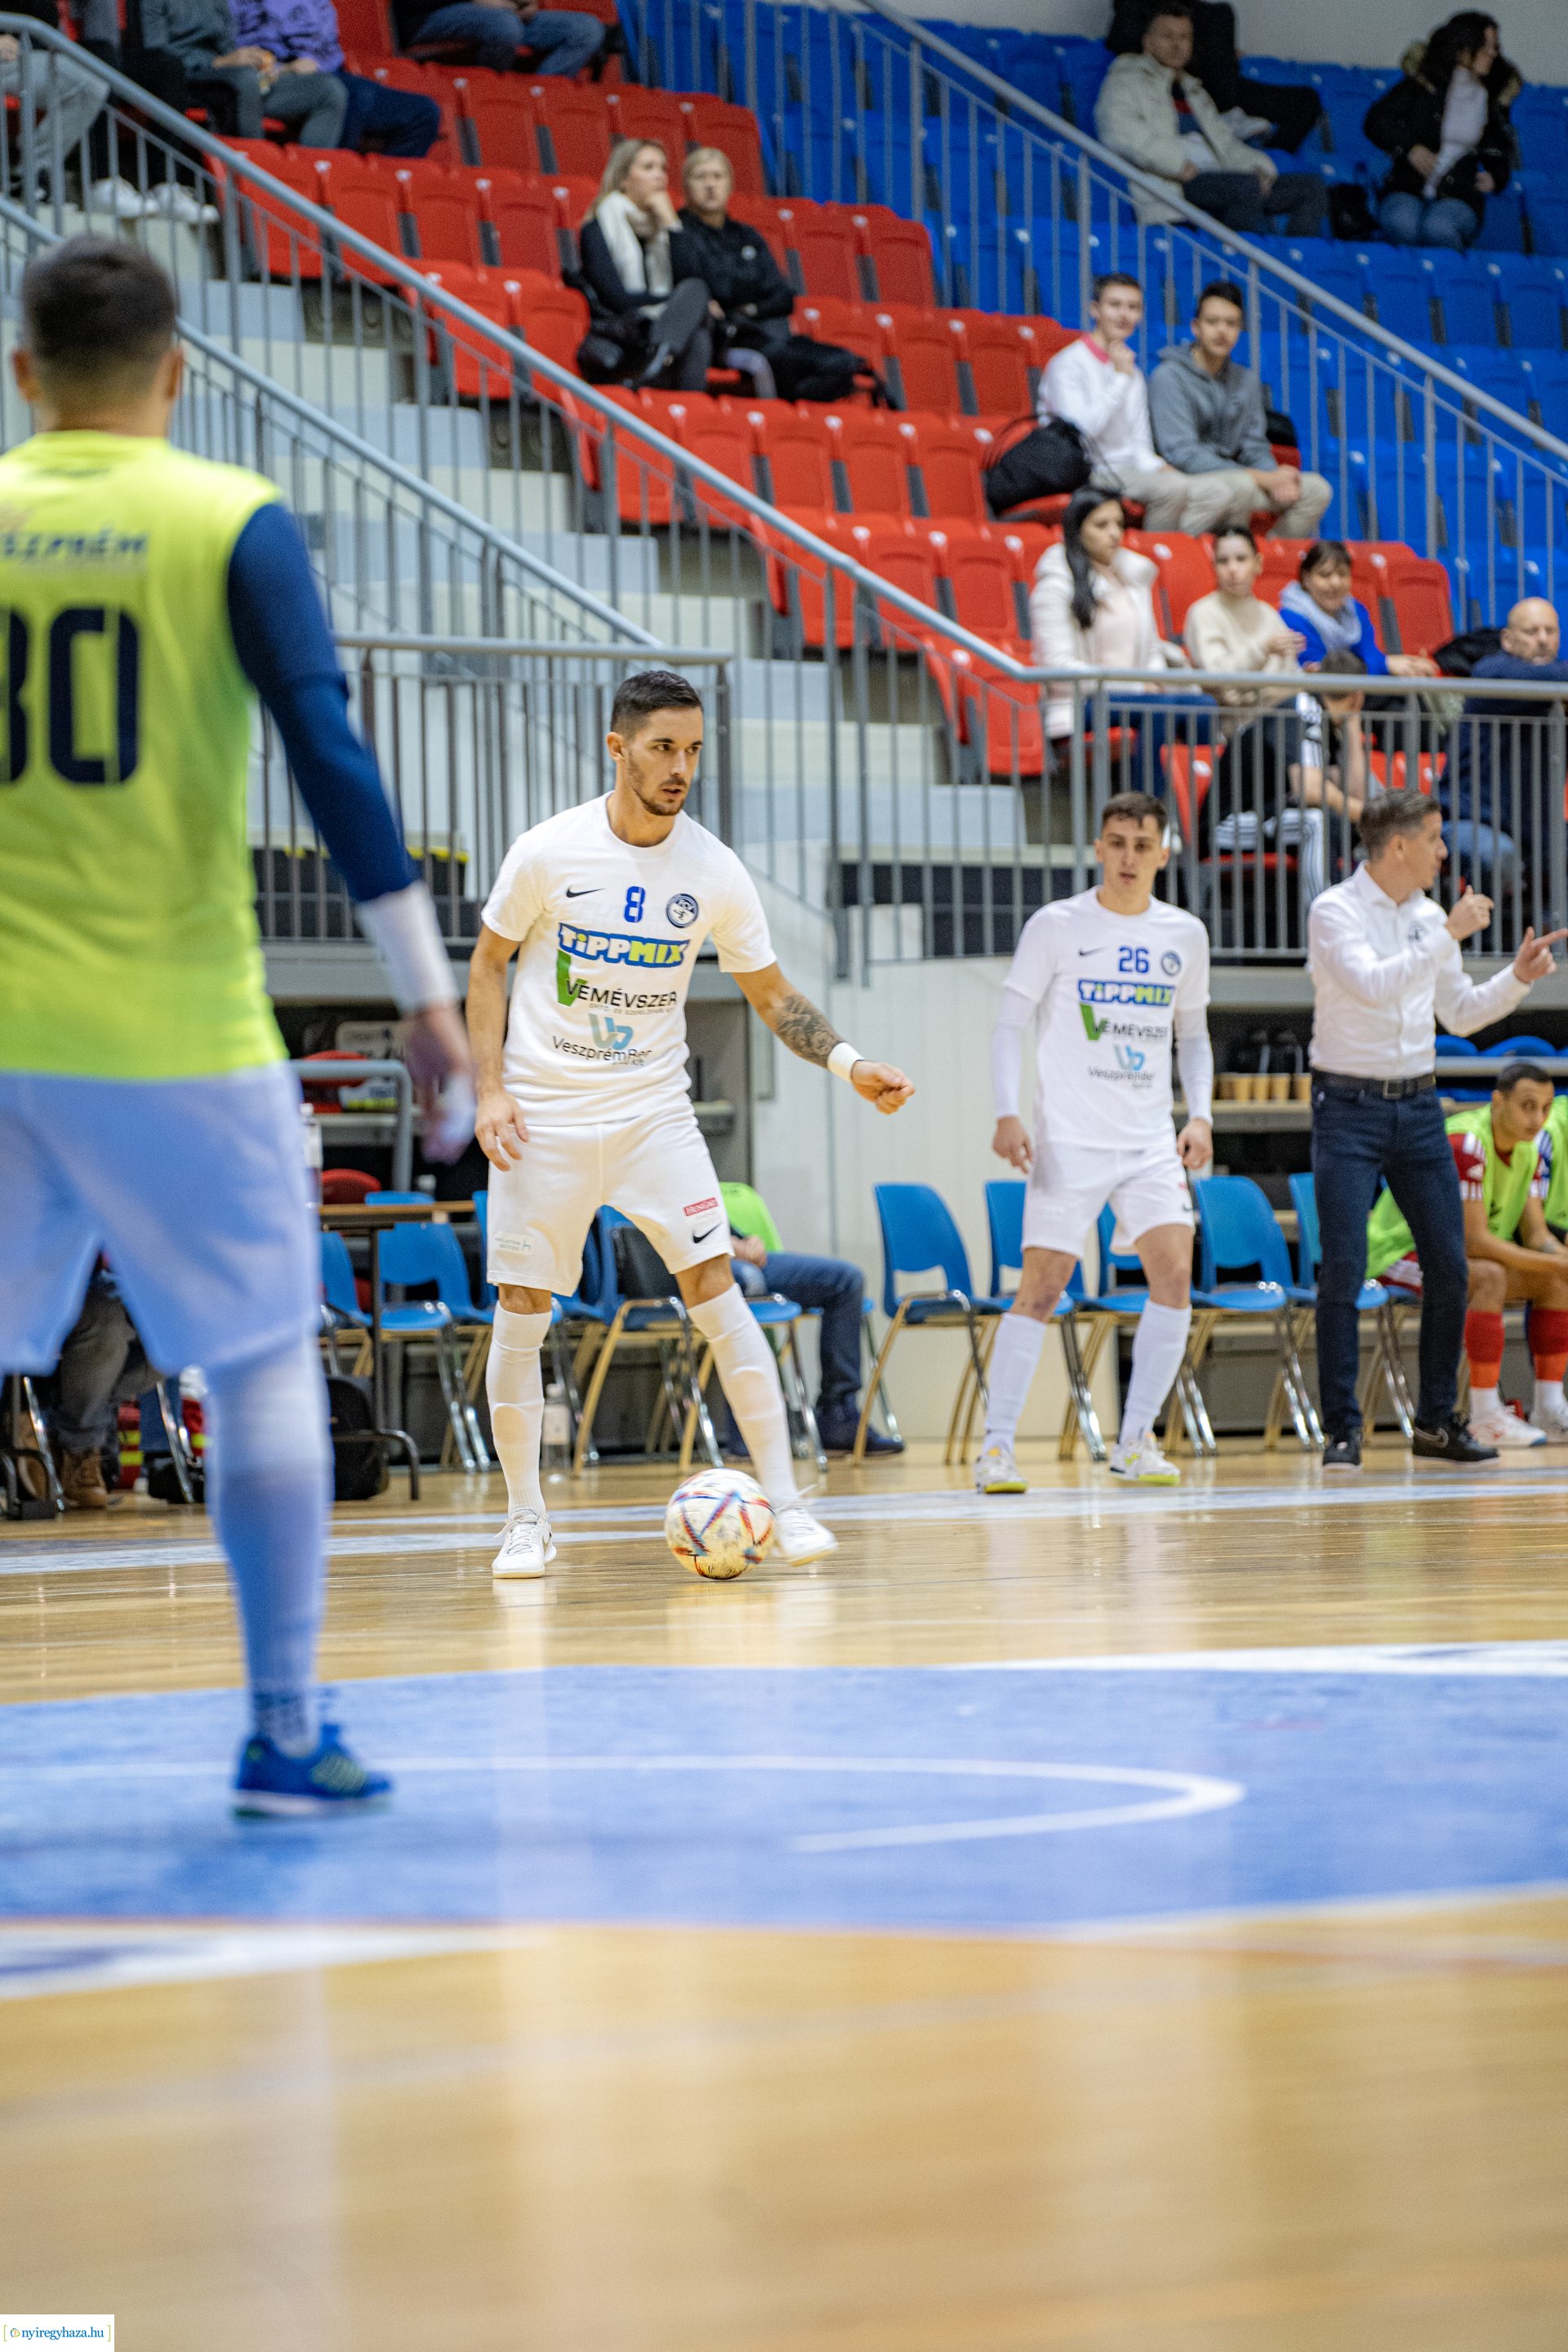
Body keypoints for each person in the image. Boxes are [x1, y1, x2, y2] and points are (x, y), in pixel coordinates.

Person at [0, 238, 473, 1811]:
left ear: (22, 377)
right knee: (264, 1363)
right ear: (180, 373)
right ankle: (282, 1732)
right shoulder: (226, 522)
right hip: (177, 1027)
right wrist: (421, 992)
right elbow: (331, 759)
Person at [466, 667, 915, 1579]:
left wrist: (849, 1061)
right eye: (664, 748)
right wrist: (489, 1090)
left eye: (694, 750)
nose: (681, 767)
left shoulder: (712, 868)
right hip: (543, 1118)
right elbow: (487, 966)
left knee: (716, 1284)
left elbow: (771, 994)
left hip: (651, 1113)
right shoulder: (549, 851)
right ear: (618, 747)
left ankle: (784, 1506)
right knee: (523, 1309)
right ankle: (524, 1518)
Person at [1306, 785, 1564, 1470]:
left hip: (1419, 1107)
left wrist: (1516, 978)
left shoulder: (1427, 916)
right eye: (1435, 839)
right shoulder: (1334, 912)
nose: (1443, 852)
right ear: (1398, 846)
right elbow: (1371, 983)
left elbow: (1459, 1013)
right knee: (1343, 1268)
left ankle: (1435, 1423)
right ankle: (1341, 1429)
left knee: (1452, 1269)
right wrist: (1447, 934)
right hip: (1349, 1108)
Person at [978, 791, 1213, 1492]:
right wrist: (1005, 1112)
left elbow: (1193, 1036)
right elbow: (1008, 1025)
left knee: (1174, 1276)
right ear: (1098, 848)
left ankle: (1135, 1440)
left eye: (1143, 845)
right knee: (1042, 1288)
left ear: (1164, 850)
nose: (1129, 857)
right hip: (1070, 1140)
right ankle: (997, 1450)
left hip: (1147, 1142)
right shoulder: (1057, 925)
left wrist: (1198, 1115)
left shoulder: (1185, 934)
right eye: (1117, 842)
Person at [1367, 1061, 1568, 1447]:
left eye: (1545, 1108)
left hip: (1455, 1261)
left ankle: (1548, 1405)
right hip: (1398, 1254)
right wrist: (1560, 1261)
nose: (1538, 1118)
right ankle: (1485, 1415)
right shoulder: (1466, 1143)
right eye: (1527, 1106)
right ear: (1498, 1102)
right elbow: (1474, 1242)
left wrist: (1561, 1262)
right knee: (1489, 1276)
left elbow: (1538, 1236)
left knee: (1555, 1280)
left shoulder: (1528, 1150)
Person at [1036, 273, 1254, 535]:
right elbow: (1080, 433)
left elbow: (1139, 446)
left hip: (1130, 470)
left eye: (1133, 307)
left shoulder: (1133, 372)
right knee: (1172, 489)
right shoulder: (1069, 364)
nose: (1124, 315)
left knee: (1216, 492)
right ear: (1095, 310)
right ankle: (1158, 551)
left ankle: (1161, 549)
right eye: (1115, 305)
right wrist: (1118, 379)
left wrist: (1161, 467)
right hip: (1086, 469)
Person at [1095, 2, 1327, 237]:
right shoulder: (1126, 80)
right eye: (1168, 36)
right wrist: (1175, 163)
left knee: (1310, 188)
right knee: (1246, 187)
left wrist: (1259, 167)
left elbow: (1226, 144)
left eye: (1184, 37)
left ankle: (1294, 260)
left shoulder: (1194, 90)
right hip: (1175, 179)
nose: (1177, 44)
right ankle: (1235, 260)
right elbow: (1119, 132)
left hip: (1220, 176)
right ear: (1148, 43)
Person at [718, 1183, 902, 1459]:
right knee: (748, 1281)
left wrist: (745, 1240)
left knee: (845, 1279)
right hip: (685, 1260)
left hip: (727, 1249)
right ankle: (750, 1428)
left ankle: (837, 1414)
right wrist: (715, 1244)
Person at [1148, 281, 1332, 541]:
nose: (1222, 331)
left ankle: (1267, 559)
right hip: (1187, 480)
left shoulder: (1246, 380)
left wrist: (1274, 477)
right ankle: (1230, 560)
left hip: (1238, 479)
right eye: (1213, 322)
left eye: (1231, 323)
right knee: (1242, 486)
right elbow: (1182, 455)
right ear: (1196, 327)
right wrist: (1259, 477)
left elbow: (1254, 447)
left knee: (1316, 489)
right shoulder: (1168, 376)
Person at [1030, 488, 1188, 747]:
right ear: (1077, 530)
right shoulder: (1055, 585)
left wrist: (1153, 681)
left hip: (1133, 699)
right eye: (1102, 525)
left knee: (1204, 707)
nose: (1114, 534)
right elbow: (1058, 668)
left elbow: (1150, 651)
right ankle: (1144, 789)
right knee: (1161, 707)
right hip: (1078, 705)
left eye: (1119, 524)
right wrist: (1136, 687)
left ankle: (1205, 787)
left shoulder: (1133, 579)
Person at [1365, 13, 1514, 251]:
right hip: (1408, 185)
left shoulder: (1491, 96)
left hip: (1459, 192)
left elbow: (1500, 147)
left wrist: (1497, 176)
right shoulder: (1425, 85)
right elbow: (1377, 121)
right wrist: (1411, 148)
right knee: (1402, 224)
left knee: (1438, 228)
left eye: (1495, 47)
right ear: (1463, 49)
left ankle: (1451, 284)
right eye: (1485, 47)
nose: (1492, 54)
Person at [576, 140, 716, 392]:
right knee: (696, 325)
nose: (659, 176)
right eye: (648, 167)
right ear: (623, 179)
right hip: (624, 328)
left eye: (663, 169)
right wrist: (673, 301)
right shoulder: (596, 230)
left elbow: (693, 278)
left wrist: (671, 223)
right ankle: (660, 369)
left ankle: (660, 369)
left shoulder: (664, 230)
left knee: (699, 330)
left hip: (661, 328)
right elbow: (615, 298)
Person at [1450, 596, 1568, 894]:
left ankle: (1552, 932)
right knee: (1497, 854)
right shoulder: (1493, 673)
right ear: (1507, 639)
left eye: (1550, 631)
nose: (1542, 640)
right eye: (1531, 632)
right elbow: (1543, 680)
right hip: (1471, 818)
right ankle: (1488, 942)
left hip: (1537, 828)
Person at [1105, 0, 1322, 154]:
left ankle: (1265, 161)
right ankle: (1228, 123)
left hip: (1217, 85)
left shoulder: (1201, 13)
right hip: (1177, 88)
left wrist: (1221, 55)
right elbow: (1121, 39)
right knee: (1220, 15)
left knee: (1306, 102)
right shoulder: (1135, 9)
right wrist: (1191, 52)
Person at [229, 0, 440, 153]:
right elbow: (237, 53)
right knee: (353, 97)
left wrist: (315, 63)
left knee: (424, 113)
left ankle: (375, 190)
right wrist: (286, 68)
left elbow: (326, 39)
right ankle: (335, 183)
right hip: (278, 80)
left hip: (332, 72)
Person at [676, 146, 794, 402]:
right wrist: (747, 295)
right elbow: (700, 285)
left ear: (730, 185)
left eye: (717, 177)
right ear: (686, 186)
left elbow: (784, 297)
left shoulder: (747, 235)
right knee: (779, 358)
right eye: (701, 177)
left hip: (759, 330)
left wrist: (745, 309)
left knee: (828, 363)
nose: (710, 185)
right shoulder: (678, 234)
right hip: (722, 339)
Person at [42, 1267, 154, 1508]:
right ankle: (81, 1445)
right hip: (49, 1281)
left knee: (184, 1325)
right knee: (105, 1317)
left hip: (119, 1280)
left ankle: (81, 1428)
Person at [1278, 540, 1438, 679]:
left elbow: (1370, 655)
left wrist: (1396, 664)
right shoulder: (1291, 619)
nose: (1336, 583)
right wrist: (1386, 664)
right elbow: (1324, 673)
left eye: (1342, 574)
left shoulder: (1356, 610)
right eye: (1325, 575)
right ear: (1306, 579)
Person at [394, 0, 603, 78]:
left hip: (501, 13)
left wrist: (524, 4)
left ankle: (539, 93)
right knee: (505, 26)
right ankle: (490, 84)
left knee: (587, 30)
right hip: (430, 15)